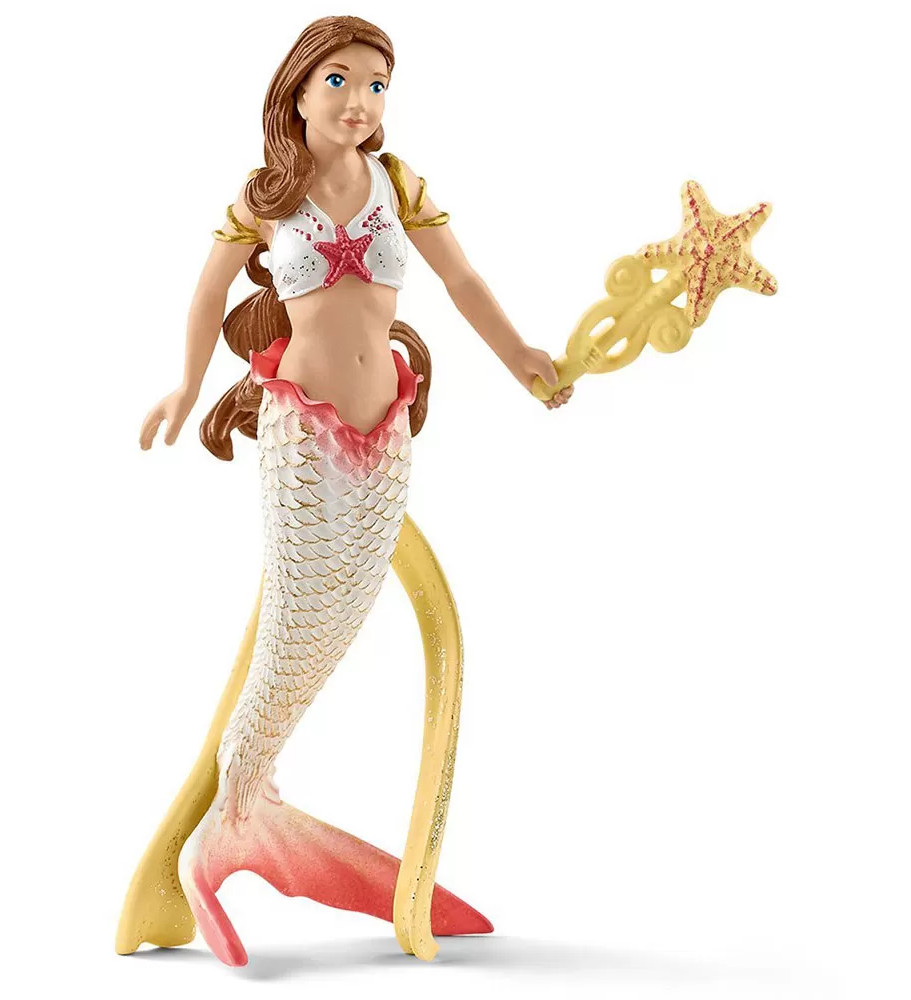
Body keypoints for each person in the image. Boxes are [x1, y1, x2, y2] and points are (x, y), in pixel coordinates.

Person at [125, 14, 573, 969]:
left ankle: (251, 808)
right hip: (301, 429)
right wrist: (186, 384)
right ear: (297, 89)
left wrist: (520, 357)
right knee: (295, 624)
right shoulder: (265, 194)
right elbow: (208, 295)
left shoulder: (399, 184)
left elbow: (461, 279)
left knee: (344, 619)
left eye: (376, 85)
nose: (360, 102)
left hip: (389, 433)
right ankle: (230, 816)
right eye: (339, 81)